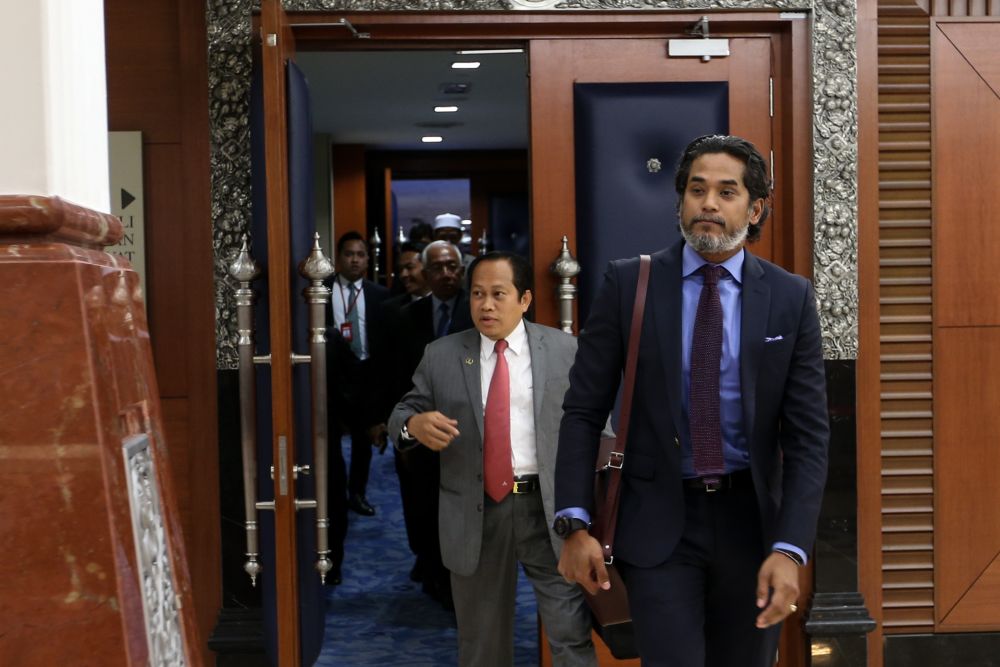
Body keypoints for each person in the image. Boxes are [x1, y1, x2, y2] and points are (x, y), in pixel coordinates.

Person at [555, 134, 830, 666]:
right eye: (696, 189)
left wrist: (789, 547)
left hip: (751, 525)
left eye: (727, 192)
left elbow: (808, 437)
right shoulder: (628, 283)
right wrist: (575, 522)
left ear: (755, 209)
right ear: (679, 200)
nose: (708, 203)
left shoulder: (789, 297)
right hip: (657, 522)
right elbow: (583, 410)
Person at [389, 251, 597, 667]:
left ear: (524, 299)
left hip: (550, 511)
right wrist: (414, 426)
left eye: (498, 294)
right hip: (477, 511)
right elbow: (400, 416)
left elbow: (598, 428)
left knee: (570, 634)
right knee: (481, 643)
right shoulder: (442, 355)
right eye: (478, 294)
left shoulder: (564, 350)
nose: (485, 305)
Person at [385, 240, 473, 608]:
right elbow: (393, 378)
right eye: (438, 268)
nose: (447, 273)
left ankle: (455, 582)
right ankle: (433, 570)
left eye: (453, 266)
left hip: (469, 435)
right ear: (425, 272)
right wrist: (396, 429)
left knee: (463, 513)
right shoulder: (407, 317)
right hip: (420, 432)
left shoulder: (478, 313)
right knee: (423, 506)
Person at [327, 230, 390, 525]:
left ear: (367, 259)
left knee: (365, 440)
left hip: (367, 373)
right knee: (331, 440)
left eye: (360, 254)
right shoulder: (321, 291)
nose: (354, 259)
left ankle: (358, 493)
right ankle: (335, 494)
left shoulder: (380, 295)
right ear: (338, 258)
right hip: (334, 376)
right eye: (349, 254)